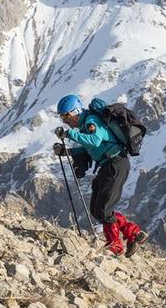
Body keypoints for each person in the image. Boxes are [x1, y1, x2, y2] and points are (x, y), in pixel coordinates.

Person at [53, 94, 148, 257]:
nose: (65, 120)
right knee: (97, 210)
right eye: (63, 117)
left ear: (75, 111)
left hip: (116, 164)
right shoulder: (85, 126)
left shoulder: (91, 121)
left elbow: (95, 141)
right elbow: (90, 150)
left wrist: (68, 135)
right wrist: (66, 152)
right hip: (108, 166)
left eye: (66, 116)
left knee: (104, 209)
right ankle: (134, 234)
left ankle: (115, 245)